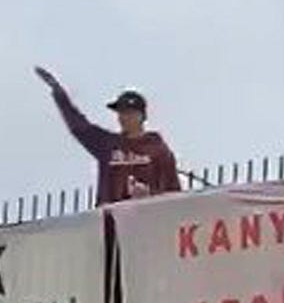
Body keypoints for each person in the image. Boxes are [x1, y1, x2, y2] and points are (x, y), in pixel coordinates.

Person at [34, 67, 181, 205]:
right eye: (121, 113)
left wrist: (150, 195)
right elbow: (80, 127)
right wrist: (59, 94)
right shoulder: (109, 144)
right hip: (111, 220)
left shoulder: (157, 149)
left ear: (142, 116)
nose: (124, 118)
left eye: (130, 113)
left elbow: (173, 192)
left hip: (148, 220)